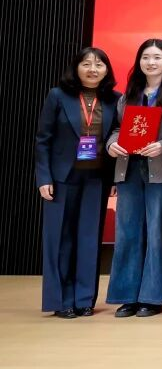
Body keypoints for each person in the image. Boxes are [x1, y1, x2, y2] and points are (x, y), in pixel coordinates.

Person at [35, 47, 120, 318]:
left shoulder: (115, 99)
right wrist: (44, 177)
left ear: (106, 70)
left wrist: (115, 178)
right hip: (62, 178)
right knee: (61, 239)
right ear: (76, 67)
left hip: (96, 178)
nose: (93, 69)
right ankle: (62, 301)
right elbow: (43, 139)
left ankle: (84, 300)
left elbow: (117, 137)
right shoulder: (58, 96)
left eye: (99, 64)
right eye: (86, 64)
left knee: (89, 239)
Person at [104, 39, 162, 318]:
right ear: (139, 61)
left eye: (157, 57)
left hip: (161, 171)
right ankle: (127, 296)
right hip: (128, 169)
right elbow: (117, 128)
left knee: (157, 231)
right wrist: (112, 143)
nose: (151, 62)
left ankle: (151, 297)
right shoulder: (129, 95)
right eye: (146, 57)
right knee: (127, 231)